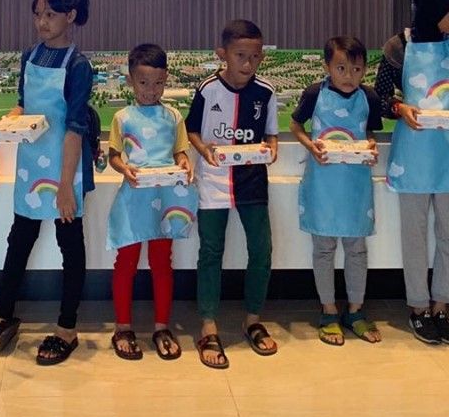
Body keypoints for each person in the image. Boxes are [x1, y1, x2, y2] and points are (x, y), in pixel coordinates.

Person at [0, 0, 94, 365]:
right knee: (19, 239)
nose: (42, 22)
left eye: (50, 14)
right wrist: (10, 120)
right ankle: (4, 314)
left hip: (65, 165)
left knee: (70, 245)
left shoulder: (78, 65)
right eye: (38, 14)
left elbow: (75, 128)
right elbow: (24, 104)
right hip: (31, 164)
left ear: (70, 16)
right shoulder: (29, 55)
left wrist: (66, 186)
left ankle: (67, 327)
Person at [375, 0, 449, 346]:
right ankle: (418, 308)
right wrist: (400, 108)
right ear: (432, 10)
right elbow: (382, 95)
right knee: (415, 234)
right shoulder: (399, 46)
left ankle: (441, 307)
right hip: (415, 154)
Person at [186, 19, 279, 368]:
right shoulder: (208, 89)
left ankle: (253, 319)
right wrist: (204, 149)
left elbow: (270, 134)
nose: (248, 63)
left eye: (255, 56)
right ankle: (208, 324)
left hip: (252, 181)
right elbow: (192, 130)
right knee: (211, 251)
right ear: (222, 54)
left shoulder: (266, 92)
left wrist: (272, 148)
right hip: (213, 180)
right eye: (240, 55)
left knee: (262, 250)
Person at [289, 37, 383, 345]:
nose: (349, 76)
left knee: (357, 249)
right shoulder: (314, 94)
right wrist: (311, 146)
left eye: (356, 69)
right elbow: (295, 126)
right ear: (327, 66)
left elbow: (369, 131)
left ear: (364, 70)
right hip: (323, 183)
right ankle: (328, 311)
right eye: (341, 68)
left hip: (355, 184)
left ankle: (355, 310)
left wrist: (370, 146)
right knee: (324, 248)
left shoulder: (368, 97)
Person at [107, 43, 196, 361]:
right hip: (133, 199)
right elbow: (114, 156)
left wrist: (185, 163)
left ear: (166, 79)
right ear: (130, 81)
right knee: (126, 263)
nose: (151, 90)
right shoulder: (122, 117)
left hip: (165, 199)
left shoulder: (173, 116)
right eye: (143, 83)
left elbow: (180, 152)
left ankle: (161, 327)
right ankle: (122, 327)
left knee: (161, 263)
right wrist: (124, 169)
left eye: (158, 83)